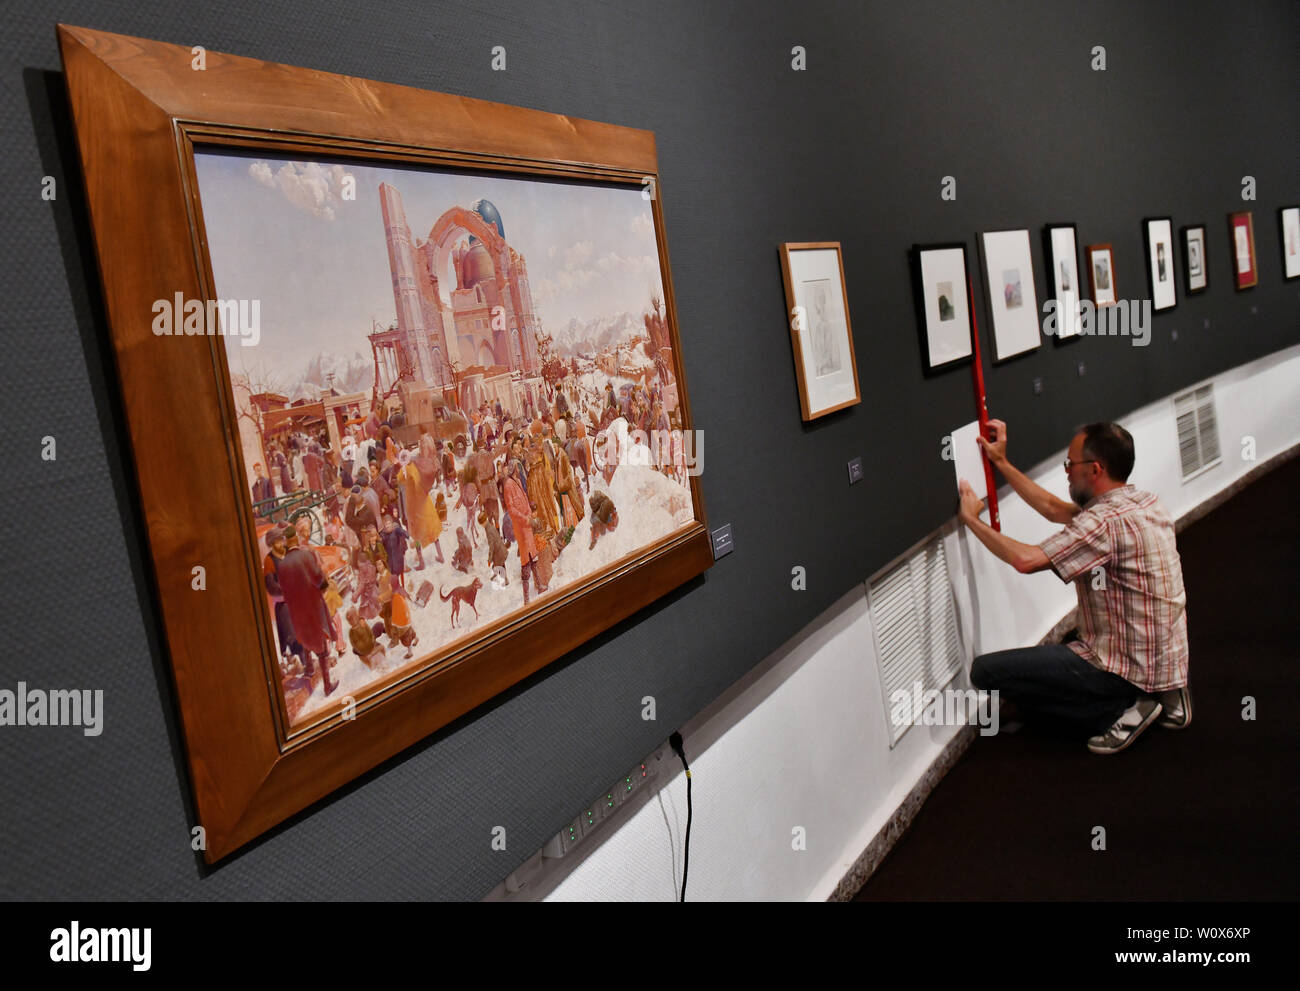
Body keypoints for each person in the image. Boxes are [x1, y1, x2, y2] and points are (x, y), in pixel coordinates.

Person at [958, 420, 1191, 755]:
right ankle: (1165, 688)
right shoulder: (1143, 502)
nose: (1067, 472)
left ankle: (1121, 709)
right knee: (1060, 654)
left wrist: (972, 520)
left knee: (986, 672)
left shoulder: (1101, 524)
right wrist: (1001, 463)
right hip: (1165, 656)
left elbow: (1026, 560)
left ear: (1095, 469)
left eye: (1071, 464)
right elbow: (1055, 510)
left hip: (1120, 665)